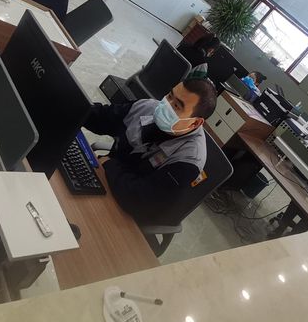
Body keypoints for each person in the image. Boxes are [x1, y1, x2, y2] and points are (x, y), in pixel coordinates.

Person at [84, 78, 218, 225]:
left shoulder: (188, 160)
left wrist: (109, 164)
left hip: (124, 214)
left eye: (176, 106)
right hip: (105, 177)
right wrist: (76, 104)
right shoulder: (147, 107)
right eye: (170, 96)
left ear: (195, 123)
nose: (166, 105)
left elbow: (141, 201)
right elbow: (103, 117)